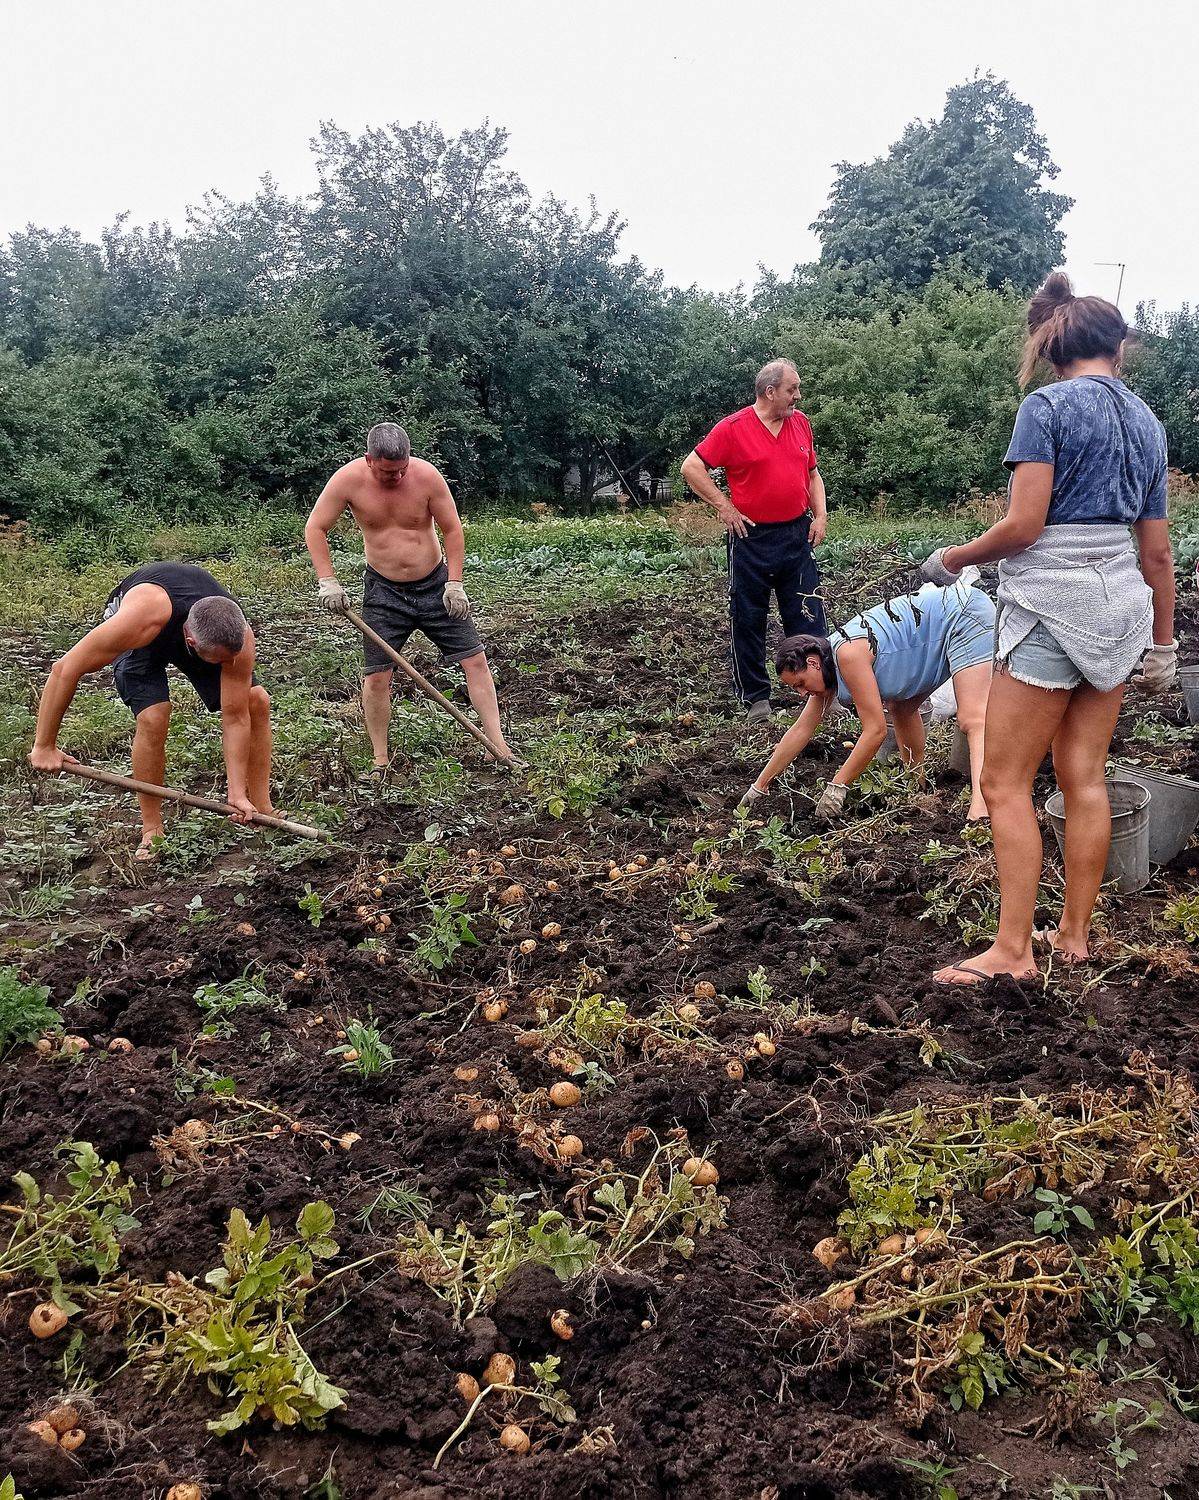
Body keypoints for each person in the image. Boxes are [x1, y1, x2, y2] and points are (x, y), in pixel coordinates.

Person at [921, 272, 1177, 986]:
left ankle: (1012, 953)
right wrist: (1162, 645)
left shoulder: (1045, 407)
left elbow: (1025, 526)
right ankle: (1073, 937)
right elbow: (1156, 553)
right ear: (1117, 349)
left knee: (1003, 781)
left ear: (1052, 347)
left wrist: (954, 557)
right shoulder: (1147, 422)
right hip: (1119, 610)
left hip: (1051, 610)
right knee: (1084, 776)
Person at [304, 422, 513, 772]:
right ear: (369, 459)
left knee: (475, 660)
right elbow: (315, 527)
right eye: (388, 472)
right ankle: (380, 759)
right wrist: (328, 580)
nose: (397, 477)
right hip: (384, 592)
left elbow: (452, 529)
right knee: (377, 676)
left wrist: (455, 583)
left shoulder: (427, 477)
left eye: (402, 469)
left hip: (435, 586)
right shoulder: (347, 480)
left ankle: (498, 746)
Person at [28, 563, 272, 859]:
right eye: (221, 661)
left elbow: (235, 717)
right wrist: (44, 745)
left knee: (256, 701)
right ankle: (152, 827)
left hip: (200, 631)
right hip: (147, 626)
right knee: (153, 716)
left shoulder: (238, 638)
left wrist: (236, 794)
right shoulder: (137, 620)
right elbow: (64, 669)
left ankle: (262, 808)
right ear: (190, 642)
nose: (228, 667)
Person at [739, 577, 995, 821]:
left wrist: (838, 786)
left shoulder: (848, 655)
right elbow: (800, 730)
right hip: (933, 633)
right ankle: (917, 784)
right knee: (901, 707)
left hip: (963, 614)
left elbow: (875, 730)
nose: (802, 693)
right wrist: (759, 786)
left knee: (973, 717)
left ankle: (981, 808)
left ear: (813, 663)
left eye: (800, 684)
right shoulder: (827, 672)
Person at [681, 360, 828, 723]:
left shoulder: (800, 423)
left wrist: (820, 515)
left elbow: (812, 474)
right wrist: (725, 506)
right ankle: (756, 698)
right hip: (750, 537)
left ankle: (823, 691)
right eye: (792, 389)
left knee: (808, 613)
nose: (798, 396)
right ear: (770, 392)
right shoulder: (733, 428)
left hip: (796, 534)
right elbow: (691, 467)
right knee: (748, 617)